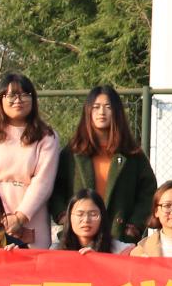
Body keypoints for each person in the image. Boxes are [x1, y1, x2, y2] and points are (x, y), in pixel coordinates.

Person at [58, 87, 158, 246]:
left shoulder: (132, 154)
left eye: (108, 107)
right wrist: (63, 216)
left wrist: (135, 225)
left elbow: (148, 192)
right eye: (96, 107)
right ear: (88, 111)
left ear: (117, 112)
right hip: (78, 238)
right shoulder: (72, 152)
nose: (101, 112)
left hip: (119, 238)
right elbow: (56, 188)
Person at [0, 73, 62, 249]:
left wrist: (20, 217)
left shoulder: (46, 136)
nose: (18, 100)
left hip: (32, 215)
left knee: (31, 264)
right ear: (1, 99)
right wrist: (1, 215)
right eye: (11, 95)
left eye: (24, 94)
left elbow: (43, 182)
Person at [57, 190, 128, 254]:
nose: (86, 220)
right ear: (69, 217)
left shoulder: (116, 247)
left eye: (93, 214)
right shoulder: (56, 250)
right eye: (80, 214)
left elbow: (134, 252)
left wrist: (97, 258)